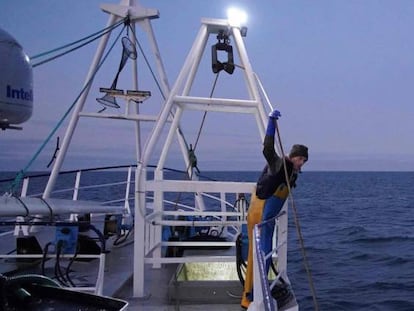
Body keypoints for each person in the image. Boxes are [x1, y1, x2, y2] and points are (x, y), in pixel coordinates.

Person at [241, 109, 308, 309]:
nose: (302, 163)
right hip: (259, 211)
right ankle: (249, 296)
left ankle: (261, 288)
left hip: (269, 217)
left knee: (267, 253)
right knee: (259, 255)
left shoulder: (293, 173)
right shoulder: (279, 164)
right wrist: (271, 122)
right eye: (301, 159)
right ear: (293, 156)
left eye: (304, 161)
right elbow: (267, 149)